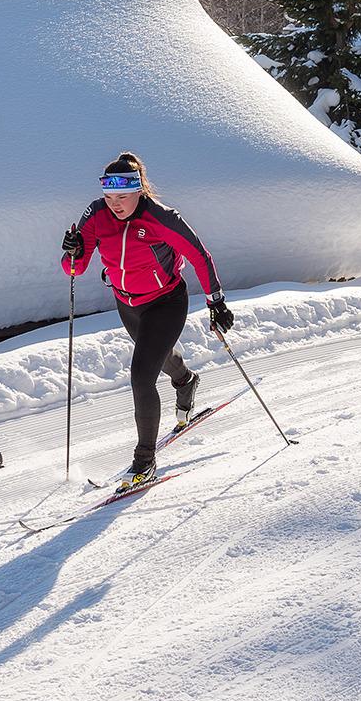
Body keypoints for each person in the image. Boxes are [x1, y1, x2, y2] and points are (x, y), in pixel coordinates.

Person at [60, 151, 232, 488]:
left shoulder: (160, 217)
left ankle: (144, 461)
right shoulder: (95, 214)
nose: (115, 204)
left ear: (139, 190)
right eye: (109, 196)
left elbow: (200, 256)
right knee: (160, 359)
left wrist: (216, 301)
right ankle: (185, 381)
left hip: (166, 302)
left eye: (122, 196)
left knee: (141, 375)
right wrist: (73, 251)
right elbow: (74, 269)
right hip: (127, 304)